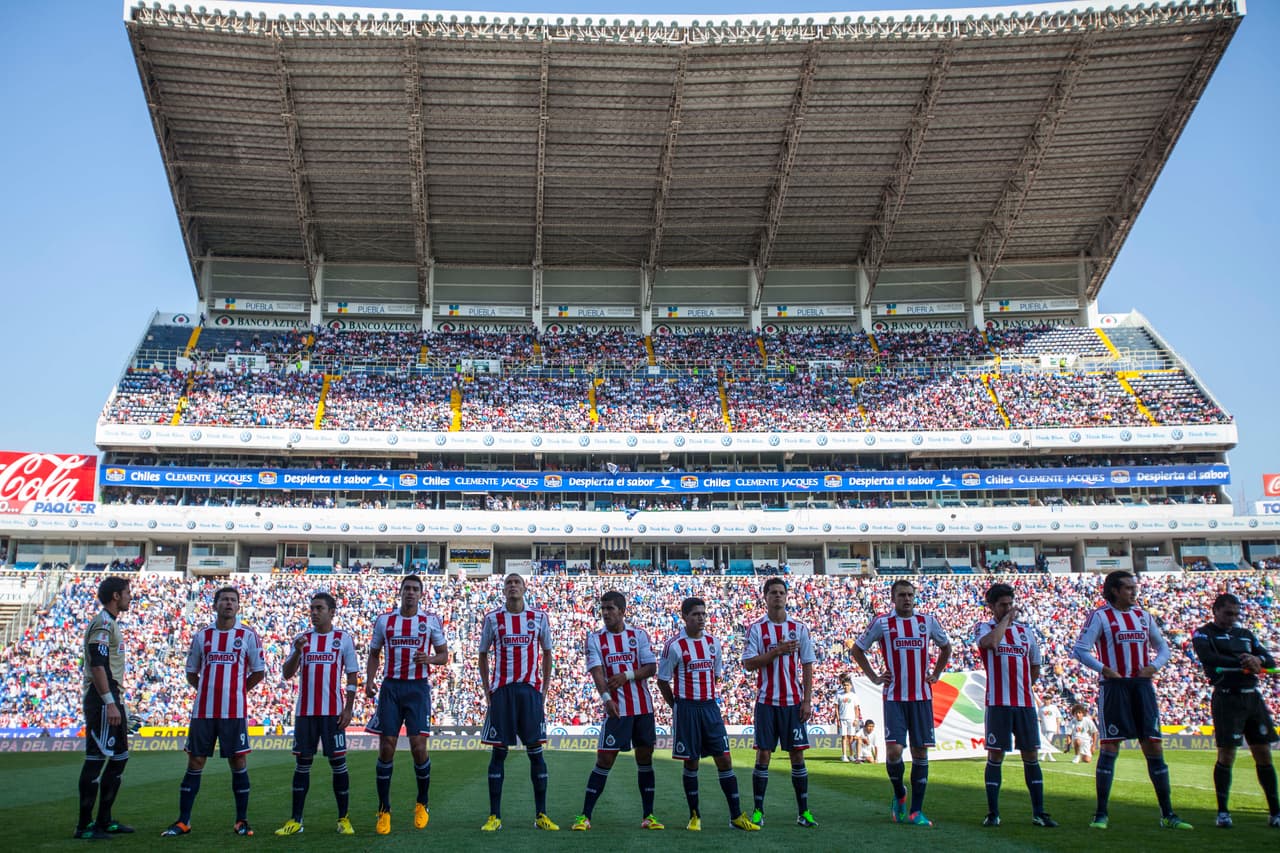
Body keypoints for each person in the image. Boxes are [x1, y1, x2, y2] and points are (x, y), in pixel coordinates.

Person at [1072, 570, 1192, 830]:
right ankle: (1101, 814)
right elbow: (1080, 649)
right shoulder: (1101, 616)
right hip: (1114, 687)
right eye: (1127, 587)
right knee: (1110, 748)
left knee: (1154, 747)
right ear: (1114, 590)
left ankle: (1168, 814)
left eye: (1134, 587)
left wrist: (1155, 666)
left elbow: (1164, 648)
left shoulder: (1143, 616)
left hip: (1142, 687)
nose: (1133, 591)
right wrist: (1104, 669)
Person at [162, 586, 266, 837]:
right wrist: (208, 691)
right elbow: (191, 672)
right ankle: (183, 821)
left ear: (238, 607)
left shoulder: (248, 635)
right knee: (196, 761)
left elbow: (259, 671)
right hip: (203, 712)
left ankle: (242, 821)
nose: (229, 604)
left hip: (234, 712)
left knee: (238, 761)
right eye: (224, 600)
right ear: (215, 605)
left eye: (233, 600)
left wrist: (238, 691)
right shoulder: (202, 636)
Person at [849, 578, 952, 827]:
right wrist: (873, 676)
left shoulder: (927, 621)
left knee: (920, 751)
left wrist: (937, 673)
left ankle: (917, 811)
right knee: (894, 751)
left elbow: (946, 647)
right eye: (902, 595)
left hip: (922, 698)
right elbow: (857, 649)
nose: (906, 599)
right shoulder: (883, 623)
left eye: (910, 595)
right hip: (894, 697)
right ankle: (899, 794)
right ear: (893, 598)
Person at [656, 596, 760, 832]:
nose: (701, 618)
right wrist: (677, 707)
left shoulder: (714, 643)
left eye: (703, 613)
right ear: (684, 617)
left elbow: (716, 675)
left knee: (724, 758)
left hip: (710, 707)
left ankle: (736, 816)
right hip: (687, 708)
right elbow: (663, 681)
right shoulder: (674, 645)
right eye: (695, 614)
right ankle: (694, 816)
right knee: (691, 762)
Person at [571, 590, 664, 831]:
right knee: (604, 759)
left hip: (642, 709)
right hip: (616, 710)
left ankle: (649, 816)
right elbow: (597, 672)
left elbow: (651, 667)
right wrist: (605, 698)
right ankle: (585, 816)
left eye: (610, 608)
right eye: (602, 609)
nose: (605, 613)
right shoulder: (595, 639)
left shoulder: (639, 635)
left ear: (622, 611)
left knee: (645, 759)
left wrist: (626, 676)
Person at [365, 575, 448, 835]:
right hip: (391, 688)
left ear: (421, 595)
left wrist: (430, 659)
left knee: (418, 747)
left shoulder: (429, 621)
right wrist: (369, 680)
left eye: (415, 589)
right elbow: (373, 653)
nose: (410, 593)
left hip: (417, 689)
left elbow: (445, 655)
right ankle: (384, 809)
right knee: (386, 748)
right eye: (407, 589)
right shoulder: (385, 621)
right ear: (400, 592)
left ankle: (422, 803)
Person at [1189, 592, 1280, 828]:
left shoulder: (1246, 634)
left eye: (1236, 614)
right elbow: (1209, 658)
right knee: (1227, 755)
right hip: (1227, 699)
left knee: (1263, 753)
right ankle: (1223, 812)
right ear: (1215, 611)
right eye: (1228, 613)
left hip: (1252, 699)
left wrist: (1255, 660)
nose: (1232, 618)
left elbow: (1269, 661)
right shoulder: (1203, 633)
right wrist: (1247, 662)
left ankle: (1275, 812)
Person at [274, 592, 360, 837]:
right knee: (302, 765)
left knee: (338, 765)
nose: (314, 612)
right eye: (312, 608)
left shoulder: (343, 639)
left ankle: (343, 819)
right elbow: (287, 674)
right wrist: (297, 652)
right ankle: (296, 820)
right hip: (305, 713)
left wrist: (348, 708)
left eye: (319, 608)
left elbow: (352, 675)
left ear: (332, 612)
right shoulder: (303, 640)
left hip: (333, 713)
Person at [478, 573, 558, 831]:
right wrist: (487, 689)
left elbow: (547, 653)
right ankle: (494, 817)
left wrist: (543, 689)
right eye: (509, 583)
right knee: (498, 753)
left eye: (517, 582)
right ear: (503, 590)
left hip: (529, 692)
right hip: (502, 693)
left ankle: (541, 815)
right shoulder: (492, 618)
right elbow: (482, 655)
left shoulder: (539, 617)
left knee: (536, 754)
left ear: (525, 588)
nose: (513, 586)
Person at [973, 582, 1056, 828]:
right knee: (995, 755)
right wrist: (1005, 622)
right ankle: (993, 812)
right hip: (998, 703)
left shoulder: (1026, 632)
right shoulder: (984, 627)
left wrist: (1025, 686)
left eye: (1010, 604)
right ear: (991, 607)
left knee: (1031, 755)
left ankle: (1039, 812)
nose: (1009, 609)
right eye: (1002, 605)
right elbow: (990, 643)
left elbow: (1035, 665)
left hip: (1024, 705)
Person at [742, 577, 818, 827]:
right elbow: (749, 664)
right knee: (763, 755)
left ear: (787, 597)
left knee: (797, 755)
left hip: (793, 702)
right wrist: (776, 651)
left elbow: (807, 665)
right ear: (765, 597)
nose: (777, 596)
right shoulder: (756, 629)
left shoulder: (800, 628)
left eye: (781, 592)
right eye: (772, 592)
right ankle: (758, 811)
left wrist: (807, 700)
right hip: (766, 702)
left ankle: (804, 812)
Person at [75, 577, 134, 840]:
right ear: (115, 596)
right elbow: (98, 665)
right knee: (97, 759)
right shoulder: (102, 623)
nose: (130, 597)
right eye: (127, 593)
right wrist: (110, 702)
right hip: (102, 700)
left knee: (119, 757)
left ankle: (104, 820)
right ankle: (85, 826)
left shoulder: (110, 623)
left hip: (112, 698)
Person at [835, 675, 861, 762]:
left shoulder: (854, 696)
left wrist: (856, 719)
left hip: (851, 719)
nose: (846, 687)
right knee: (844, 737)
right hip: (842, 719)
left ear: (851, 686)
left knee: (851, 738)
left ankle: (851, 755)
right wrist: (838, 720)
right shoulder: (839, 695)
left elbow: (856, 708)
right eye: (844, 685)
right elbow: (836, 708)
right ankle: (844, 755)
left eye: (847, 685)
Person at [1038, 694, 1063, 763]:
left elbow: (1058, 718)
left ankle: (1045, 756)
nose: (1047, 701)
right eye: (1045, 699)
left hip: (1052, 727)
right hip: (1043, 727)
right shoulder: (1041, 708)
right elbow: (1038, 717)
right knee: (1046, 742)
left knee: (1049, 741)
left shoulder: (1054, 708)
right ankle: (1047, 756)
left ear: (1050, 700)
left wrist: (1058, 728)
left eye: (1048, 699)